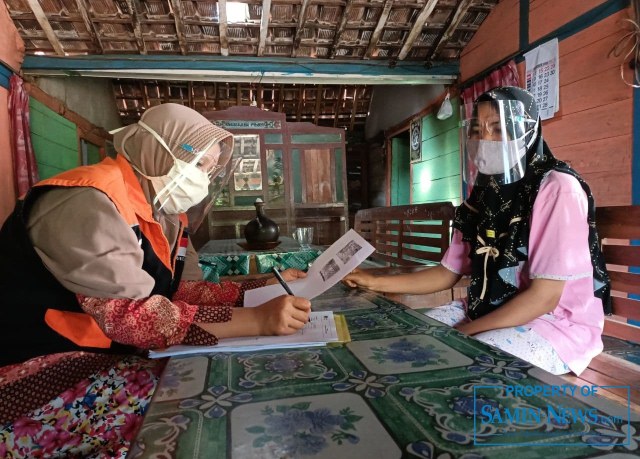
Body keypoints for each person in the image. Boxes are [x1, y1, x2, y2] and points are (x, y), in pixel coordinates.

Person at [0, 103, 310, 457]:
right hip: (36, 365)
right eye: (199, 165)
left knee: (209, 374)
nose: (204, 179)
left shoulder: (165, 213)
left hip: (109, 351)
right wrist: (256, 318)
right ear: (156, 151)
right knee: (181, 404)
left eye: (210, 170)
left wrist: (257, 289)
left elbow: (183, 290)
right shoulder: (86, 200)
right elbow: (131, 316)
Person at [344, 86, 610, 377]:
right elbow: (447, 273)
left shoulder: (557, 188)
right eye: (477, 130)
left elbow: (544, 297)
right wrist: (374, 281)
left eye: (498, 129)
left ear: (528, 132)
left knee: (462, 360)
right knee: (412, 343)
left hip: (554, 324)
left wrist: (463, 332)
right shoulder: (483, 195)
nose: (485, 140)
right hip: (486, 306)